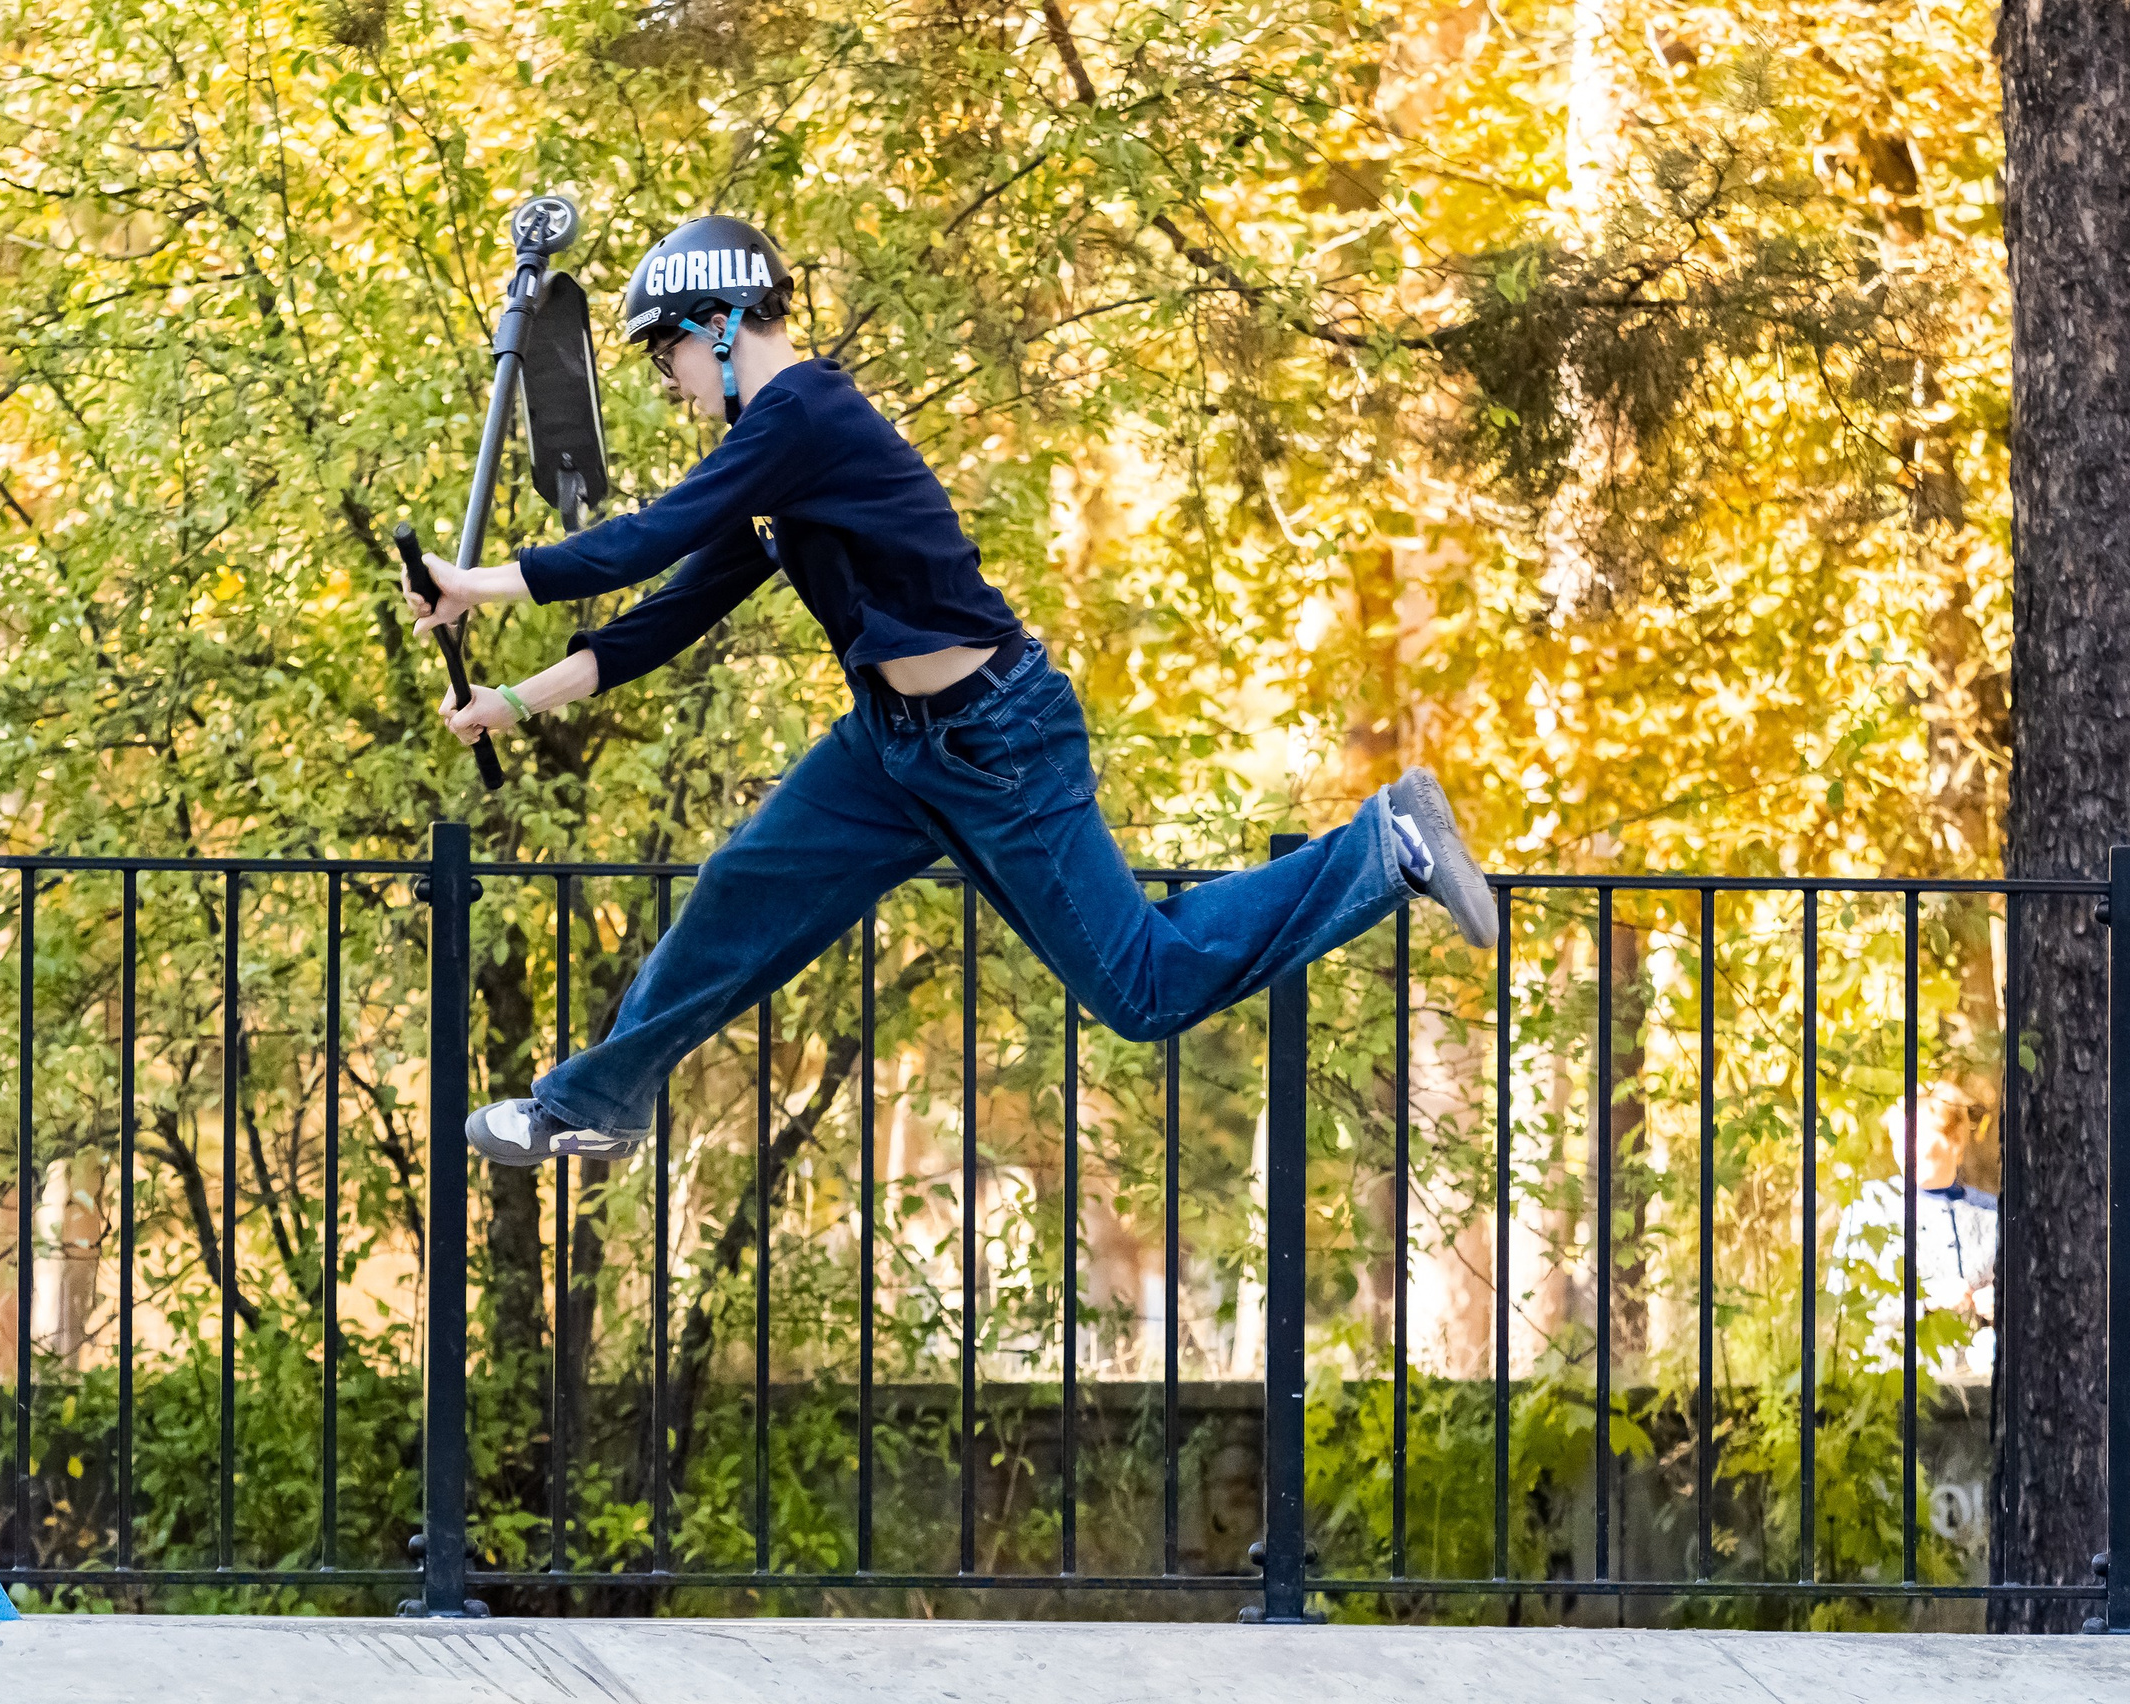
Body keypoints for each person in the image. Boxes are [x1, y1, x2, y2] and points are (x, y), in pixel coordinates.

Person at [407, 215, 1497, 1163]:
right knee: (739, 889)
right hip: (890, 752)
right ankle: (590, 1104)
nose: (673, 387)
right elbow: (663, 615)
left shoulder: (804, 417)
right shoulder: (776, 460)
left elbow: (644, 540)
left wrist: (478, 585)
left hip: (995, 742)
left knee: (1144, 990)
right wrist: (508, 699)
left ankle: (1382, 842)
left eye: (669, 360)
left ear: (723, 326)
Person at [1831, 1085, 1998, 1375]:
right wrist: (1928, 1300)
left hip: (1977, 1388)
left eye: (1918, 1137)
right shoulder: (1871, 1208)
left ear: (1955, 1141)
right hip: (1890, 1383)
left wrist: (2003, 1302)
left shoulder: (1991, 1213)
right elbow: (1843, 1303)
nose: (1906, 1149)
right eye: (1899, 1137)